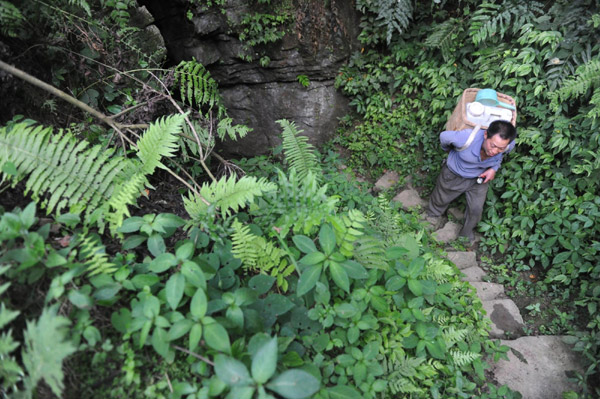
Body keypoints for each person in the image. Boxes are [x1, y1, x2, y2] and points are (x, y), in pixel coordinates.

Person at [425, 120, 517, 244]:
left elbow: (499, 157)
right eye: (493, 145)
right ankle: (432, 217)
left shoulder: (507, 145)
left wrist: (493, 169)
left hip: (479, 178)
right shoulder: (466, 137)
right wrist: (450, 151)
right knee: (441, 197)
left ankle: (466, 234)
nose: (495, 151)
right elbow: (444, 137)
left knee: (476, 208)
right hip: (455, 174)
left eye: (500, 148)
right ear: (485, 135)